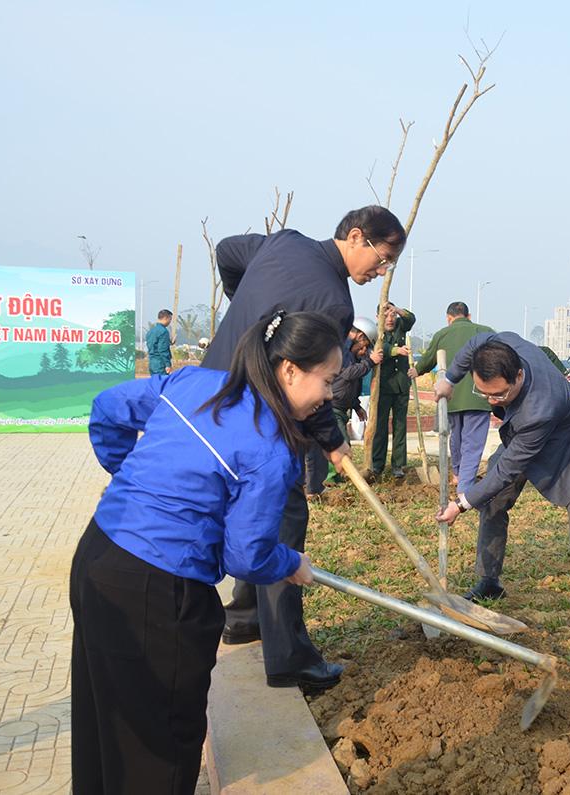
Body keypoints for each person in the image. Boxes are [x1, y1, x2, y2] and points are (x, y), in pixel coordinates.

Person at [71, 311, 341, 794]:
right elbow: (247, 557)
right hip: (157, 594)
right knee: (161, 741)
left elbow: (107, 407)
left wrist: (133, 484)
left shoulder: (194, 383)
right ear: (290, 370)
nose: (330, 395)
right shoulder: (270, 448)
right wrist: (291, 563)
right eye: (328, 380)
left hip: (98, 557)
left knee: (104, 716)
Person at [202, 205, 405, 690]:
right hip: (262, 419)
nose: (381, 272)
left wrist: (245, 308)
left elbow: (227, 250)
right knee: (283, 521)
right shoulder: (331, 304)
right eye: (383, 258)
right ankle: (290, 658)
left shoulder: (282, 242)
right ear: (355, 237)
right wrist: (333, 442)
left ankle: (245, 616)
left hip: (210, 399)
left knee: (251, 512)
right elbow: (311, 386)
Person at [434, 333, 570, 640]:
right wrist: (450, 379)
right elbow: (472, 345)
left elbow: (507, 469)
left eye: (499, 395)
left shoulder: (541, 406)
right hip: (521, 437)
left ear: (518, 375)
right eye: (484, 394)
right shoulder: (501, 344)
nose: (492, 402)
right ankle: (489, 581)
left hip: (568, 445)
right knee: (493, 503)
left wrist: (461, 504)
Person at [409, 301, 495, 492]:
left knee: (456, 437)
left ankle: (457, 474)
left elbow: (428, 359)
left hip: (451, 396)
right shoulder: (485, 331)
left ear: (449, 318)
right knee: (472, 443)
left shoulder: (442, 334)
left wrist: (417, 370)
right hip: (479, 396)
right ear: (469, 316)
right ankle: (465, 485)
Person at [317, 318, 382, 487]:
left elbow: (349, 387)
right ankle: (331, 478)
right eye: (364, 345)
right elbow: (348, 374)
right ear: (360, 336)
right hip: (332, 406)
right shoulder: (342, 350)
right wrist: (370, 362)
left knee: (340, 441)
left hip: (340, 407)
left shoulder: (351, 355)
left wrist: (356, 406)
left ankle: (335, 477)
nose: (364, 350)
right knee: (340, 442)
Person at [371, 303, 416, 478]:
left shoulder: (400, 327)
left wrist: (397, 310)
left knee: (400, 426)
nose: (390, 319)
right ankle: (377, 464)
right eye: (386, 315)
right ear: (378, 317)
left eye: (392, 315)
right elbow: (381, 349)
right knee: (380, 427)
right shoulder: (375, 332)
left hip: (401, 385)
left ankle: (398, 464)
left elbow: (410, 319)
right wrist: (397, 350)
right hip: (383, 386)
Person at [146, 309, 173, 375]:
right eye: (170, 319)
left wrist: (169, 342)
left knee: (154, 381)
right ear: (166, 318)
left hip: (152, 363)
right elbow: (162, 349)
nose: (170, 322)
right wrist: (167, 364)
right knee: (163, 381)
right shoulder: (164, 331)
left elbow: (154, 345)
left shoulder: (150, 331)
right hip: (161, 363)